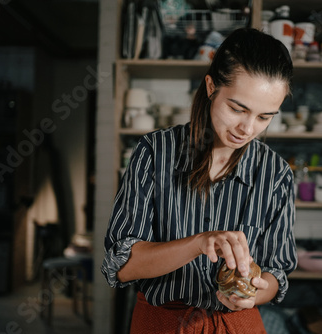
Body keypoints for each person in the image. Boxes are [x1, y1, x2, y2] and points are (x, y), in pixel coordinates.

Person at [101, 27, 297, 333]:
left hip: (238, 326)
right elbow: (122, 267)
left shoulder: (275, 174)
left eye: (264, 117)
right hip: (163, 323)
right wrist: (198, 243)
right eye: (237, 108)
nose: (247, 128)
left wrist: (252, 294)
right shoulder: (156, 152)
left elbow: (277, 275)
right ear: (210, 86)